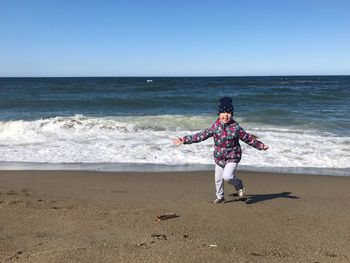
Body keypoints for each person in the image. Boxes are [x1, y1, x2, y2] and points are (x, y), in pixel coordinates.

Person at [173, 97, 269, 203]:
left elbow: (248, 138)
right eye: (223, 112)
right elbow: (201, 135)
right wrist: (184, 139)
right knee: (218, 179)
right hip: (219, 157)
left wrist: (260, 146)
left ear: (232, 114)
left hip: (233, 156)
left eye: (228, 112)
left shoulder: (236, 128)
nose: (226, 115)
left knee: (227, 177)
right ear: (219, 114)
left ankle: (239, 184)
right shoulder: (215, 127)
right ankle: (220, 197)